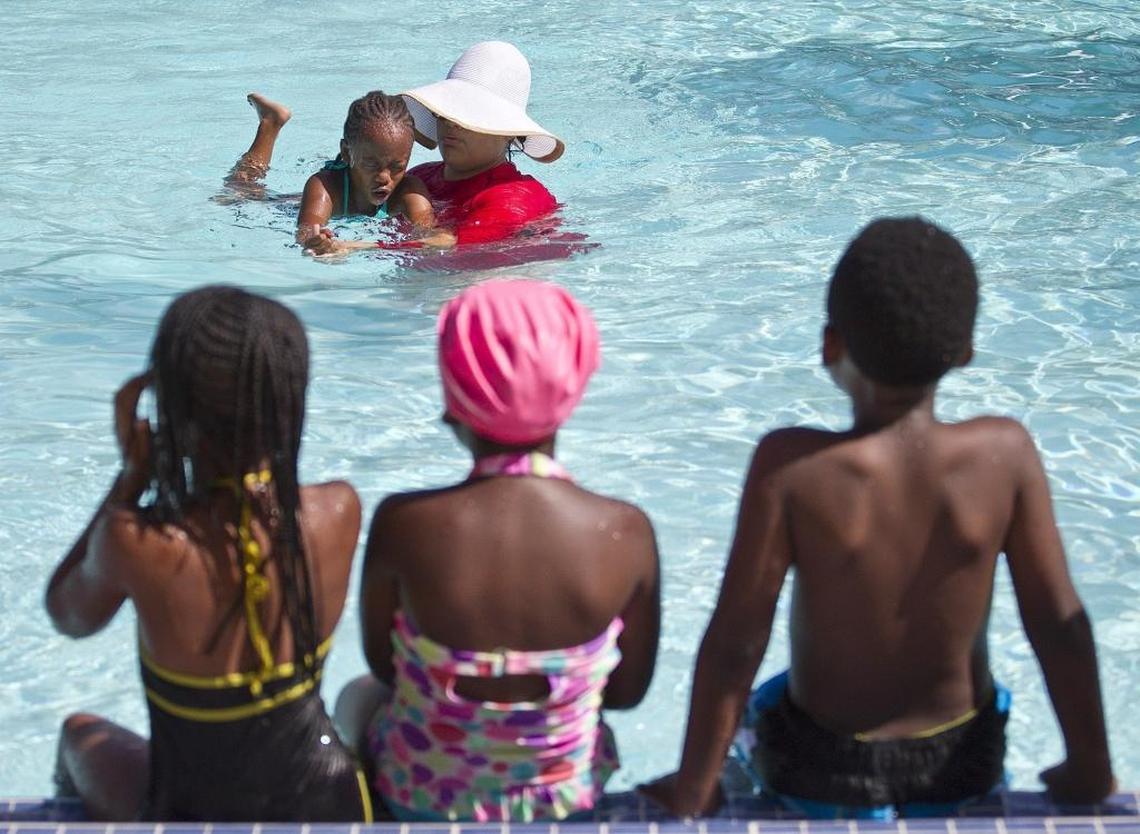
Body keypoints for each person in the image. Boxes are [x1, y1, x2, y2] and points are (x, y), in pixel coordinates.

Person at [641, 217, 1116, 819]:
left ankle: (723, 781)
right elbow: (1057, 624)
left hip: (818, 767)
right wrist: (1090, 769)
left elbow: (737, 642)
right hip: (961, 764)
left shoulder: (792, 467)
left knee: (763, 710)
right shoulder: (1005, 456)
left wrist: (694, 788)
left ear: (830, 345)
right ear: (965, 350)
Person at [335, 279, 660, 822]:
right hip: (562, 803)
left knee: (356, 695)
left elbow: (385, 667)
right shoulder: (624, 532)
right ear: (573, 387)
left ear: (452, 401)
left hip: (423, 799)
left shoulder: (404, 524)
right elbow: (625, 695)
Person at [45, 286, 372, 822]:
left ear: (169, 405)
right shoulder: (338, 511)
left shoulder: (138, 542)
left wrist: (130, 479)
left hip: (186, 814)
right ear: (289, 402)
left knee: (77, 735)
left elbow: (67, 614)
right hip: (331, 805)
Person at [226, 90, 434, 256]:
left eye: (397, 167)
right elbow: (307, 231)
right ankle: (270, 123)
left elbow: (438, 240)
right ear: (345, 153)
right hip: (294, 205)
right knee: (238, 193)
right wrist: (317, 241)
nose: (384, 177)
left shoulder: (409, 191)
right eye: (371, 165)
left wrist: (358, 246)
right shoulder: (324, 187)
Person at [398, 41, 564, 248]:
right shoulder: (420, 177)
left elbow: (451, 249)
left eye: (470, 114)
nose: (451, 122)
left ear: (509, 132)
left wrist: (360, 248)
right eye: (444, 111)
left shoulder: (516, 197)